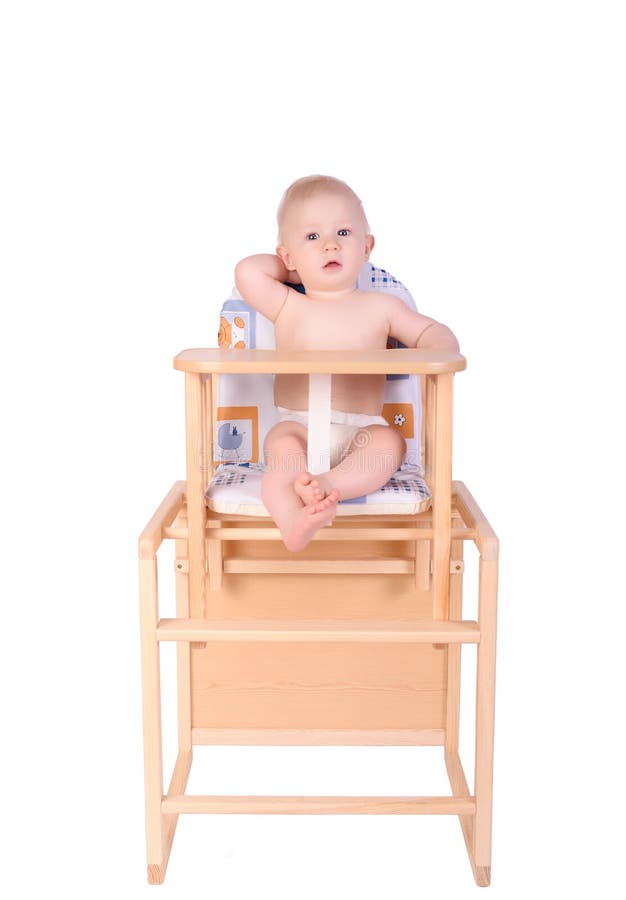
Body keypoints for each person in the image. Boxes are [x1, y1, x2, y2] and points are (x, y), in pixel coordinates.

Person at [235, 175, 459, 552]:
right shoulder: (290, 306)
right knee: (283, 456)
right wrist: (296, 271)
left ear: (366, 246)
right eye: (312, 238)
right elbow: (247, 272)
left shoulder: (383, 307)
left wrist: (439, 349)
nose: (329, 245)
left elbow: (431, 334)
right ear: (287, 256)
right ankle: (292, 521)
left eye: (343, 232)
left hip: (363, 429)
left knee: (389, 445)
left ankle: (325, 485)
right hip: (297, 425)